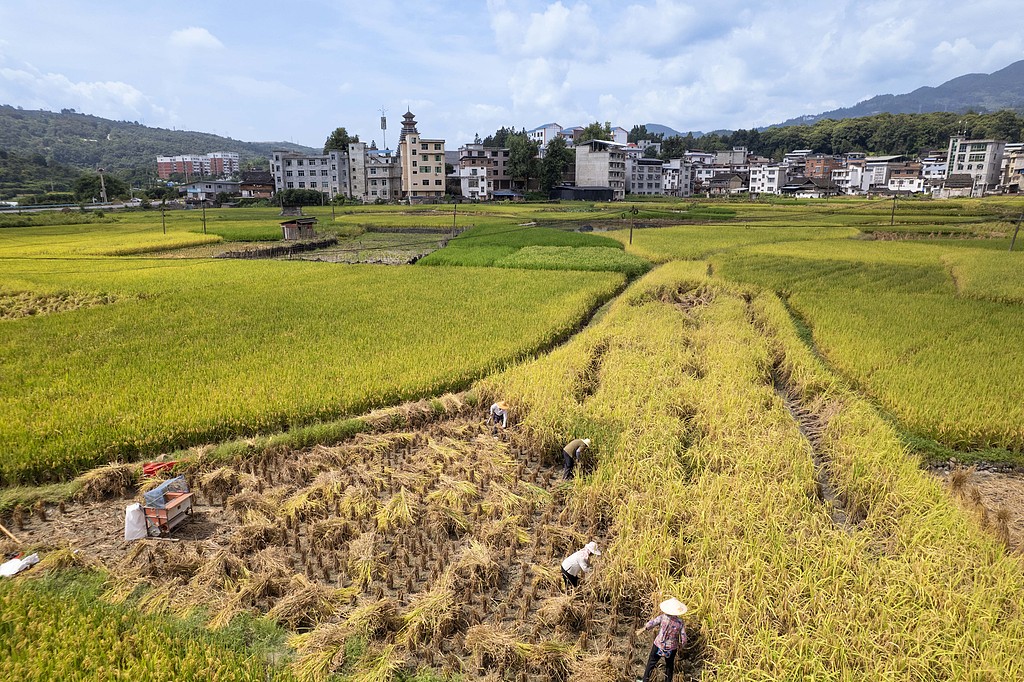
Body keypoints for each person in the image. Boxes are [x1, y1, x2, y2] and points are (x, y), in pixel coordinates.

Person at [636, 597, 688, 682]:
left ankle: (645, 680)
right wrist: (682, 645)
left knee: (651, 663)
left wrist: (643, 629)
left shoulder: (663, 617)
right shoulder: (680, 622)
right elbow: (683, 637)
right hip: (671, 648)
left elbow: (652, 623)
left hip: (659, 645)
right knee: (669, 665)